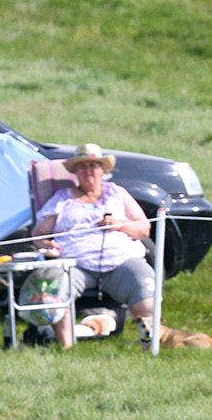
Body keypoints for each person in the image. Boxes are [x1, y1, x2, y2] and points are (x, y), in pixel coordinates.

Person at [27, 143, 155, 349]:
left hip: (120, 261)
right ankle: (68, 348)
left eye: (94, 166)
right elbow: (39, 235)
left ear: (102, 170)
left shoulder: (117, 193)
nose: (88, 171)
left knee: (145, 291)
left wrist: (119, 225)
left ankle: (149, 345)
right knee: (55, 283)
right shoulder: (62, 198)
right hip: (76, 264)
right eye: (83, 166)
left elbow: (144, 228)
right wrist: (48, 246)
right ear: (75, 172)